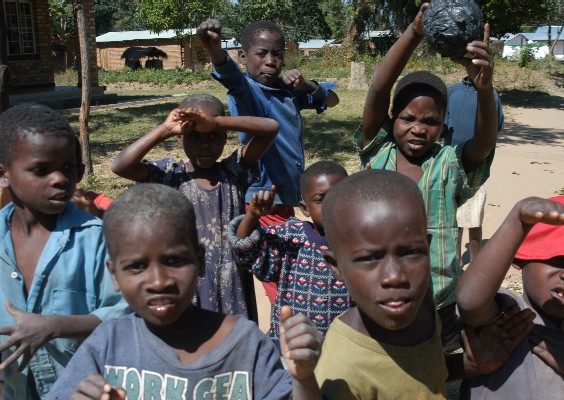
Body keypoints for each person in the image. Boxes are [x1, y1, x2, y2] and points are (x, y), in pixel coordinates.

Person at [45, 184, 323, 400]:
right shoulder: (107, 344)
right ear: (114, 275)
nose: (158, 281)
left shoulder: (246, 344)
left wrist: (303, 379)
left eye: (174, 261)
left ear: (200, 261)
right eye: (137, 266)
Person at [313, 169, 532, 399]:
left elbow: (421, 372)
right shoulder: (339, 373)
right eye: (370, 258)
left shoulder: (422, 306)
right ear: (336, 267)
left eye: (410, 253)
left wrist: (471, 365)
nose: (395, 276)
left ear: (427, 249)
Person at [355, 3, 498, 350]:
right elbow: (377, 89)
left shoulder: (449, 163)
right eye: (408, 119)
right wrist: (415, 32)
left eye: (430, 122)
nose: (418, 129)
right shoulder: (378, 151)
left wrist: (484, 89)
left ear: (443, 124)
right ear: (393, 118)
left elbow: (483, 143)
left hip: (439, 304)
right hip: (378, 299)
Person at [197, 18, 340, 305]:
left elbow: (332, 99)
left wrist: (307, 84)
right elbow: (230, 75)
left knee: (291, 274)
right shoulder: (248, 91)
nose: (271, 62)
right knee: (283, 283)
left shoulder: (289, 92)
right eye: (261, 54)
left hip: (287, 202)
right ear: (243, 56)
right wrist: (214, 49)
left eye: (277, 54)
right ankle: (287, 338)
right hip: (263, 203)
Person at [0, 103, 128, 399]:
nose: (59, 179)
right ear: (4, 175)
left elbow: (127, 314)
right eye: (41, 170)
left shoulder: (98, 239)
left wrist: (56, 326)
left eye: (68, 168)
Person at [111, 94, 279, 319]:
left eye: (213, 136)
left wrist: (218, 121)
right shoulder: (170, 175)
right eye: (195, 137)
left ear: (224, 136)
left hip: (232, 282)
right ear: (180, 138)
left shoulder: (234, 171)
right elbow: (120, 166)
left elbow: (271, 128)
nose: (205, 145)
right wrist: (165, 129)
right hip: (187, 284)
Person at [456, 193, 564, 399]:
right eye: (558, 259)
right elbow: (469, 301)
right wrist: (517, 222)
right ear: (519, 260)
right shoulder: (503, 316)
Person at [227, 161, 352, 343]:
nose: (332, 205)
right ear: (304, 208)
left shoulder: (361, 240)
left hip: (343, 347)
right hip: (291, 345)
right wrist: (252, 216)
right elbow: (246, 250)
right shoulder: (289, 238)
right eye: (320, 199)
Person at [445, 76, 504, 266]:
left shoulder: (490, 95)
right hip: (452, 161)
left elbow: (496, 127)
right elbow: (441, 124)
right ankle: (456, 256)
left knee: (475, 213)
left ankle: (476, 257)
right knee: (454, 212)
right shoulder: (451, 91)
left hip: (479, 165)